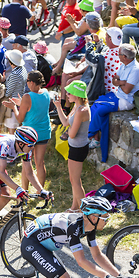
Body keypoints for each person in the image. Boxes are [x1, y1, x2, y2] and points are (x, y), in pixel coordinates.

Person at [0, 126, 53, 240]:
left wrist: (42, 190)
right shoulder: (5, 145)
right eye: (30, 145)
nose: (32, 148)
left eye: (33, 144)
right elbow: (1, 173)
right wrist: (18, 188)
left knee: (6, 196)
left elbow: (29, 173)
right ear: (21, 143)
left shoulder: (26, 149)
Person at [21, 196, 120, 278]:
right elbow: (81, 261)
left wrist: (118, 276)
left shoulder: (90, 226)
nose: (107, 221)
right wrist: (106, 276)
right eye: (105, 218)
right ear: (94, 218)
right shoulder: (73, 227)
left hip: (44, 244)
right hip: (32, 244)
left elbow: (97, 255)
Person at [88, 44, 139, 161]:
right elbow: (114, 79)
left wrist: (119, 83)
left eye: (119, 54)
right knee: (95, 105)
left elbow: (127, 90)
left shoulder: (136, 69)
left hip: (125, 100)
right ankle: (95, 138)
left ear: (125, 57)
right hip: (117, 96)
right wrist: (123, 82)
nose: (118, 56)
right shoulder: (124, 65)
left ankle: (91, 134)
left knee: (100, 109)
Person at [3, 71, 51, 188]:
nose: (27, 83)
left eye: (28, 81)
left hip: (29, 136)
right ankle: (41, 192)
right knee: (40, 163)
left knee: (27, 164)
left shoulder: (27, 96)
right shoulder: (46, 93)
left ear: (33, 83)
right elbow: (36, 108)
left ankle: (24, 191)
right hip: (44, 132)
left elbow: (20, 118)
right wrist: (22, 103)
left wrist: (14, 107)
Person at [53, 80, 91, 213]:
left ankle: (83, 212)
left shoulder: (82, 110)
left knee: (75, 181)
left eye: (70, 92)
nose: (67, 94)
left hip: (78, 149)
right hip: (74, 147)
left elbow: (73, 134)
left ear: (77, 94)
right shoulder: (76, 107)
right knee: (73, 179)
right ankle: (75, 207)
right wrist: (58, 106)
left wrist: (68, 133)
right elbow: (65, 122)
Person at [0, 50, 28, 134]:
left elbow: (8, 92)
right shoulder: (23, 69)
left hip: (12, 103)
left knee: (12, 132)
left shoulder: (15, 74)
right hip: (20, 101)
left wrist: (1, 84)